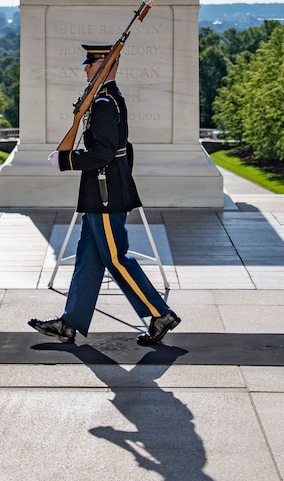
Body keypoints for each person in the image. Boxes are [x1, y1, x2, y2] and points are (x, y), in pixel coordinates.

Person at [29, 43, 181, 346]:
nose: (85, 68)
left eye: (90, 63)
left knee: (115, 258)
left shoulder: (103, 104)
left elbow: (102, 154)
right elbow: (122, 150)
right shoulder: (105, 100)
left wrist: (66, 160)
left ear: (105, 67)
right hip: (102, 192)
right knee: (88, 257)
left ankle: (159, 313)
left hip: (105, 195)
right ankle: (69, 323)